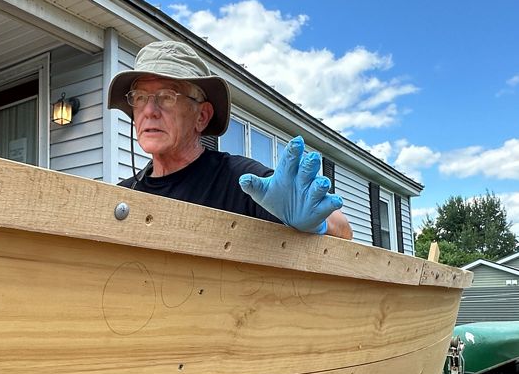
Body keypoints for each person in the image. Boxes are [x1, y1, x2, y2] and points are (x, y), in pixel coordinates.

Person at [108, 40, 353, 240]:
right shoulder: (122, 196)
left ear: (202, 116)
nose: (149, 111)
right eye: (139, 98)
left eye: (166, 96)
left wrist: (316, 222)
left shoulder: (242, 180)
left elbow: (344, 229)